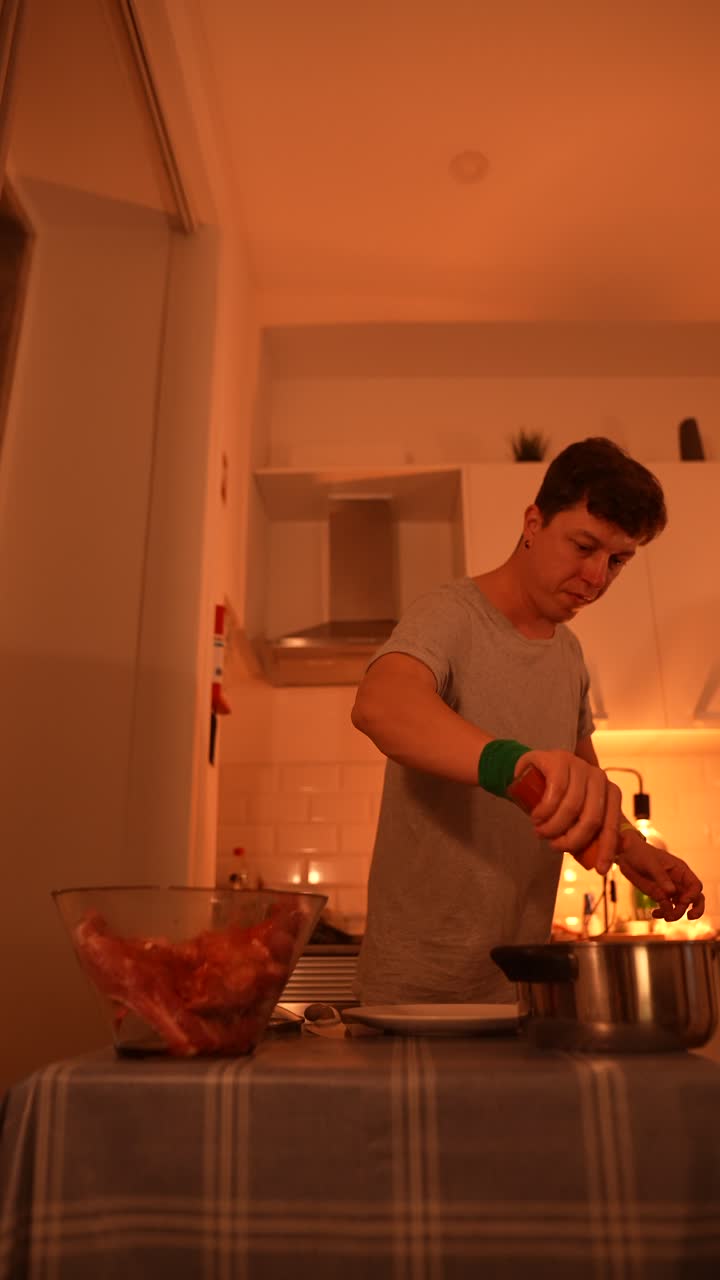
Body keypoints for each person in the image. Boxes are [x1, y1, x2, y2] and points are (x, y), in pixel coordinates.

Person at [351, 437, 705, 1005]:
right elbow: (380, 705)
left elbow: (575, 798)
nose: (596, 578)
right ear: (534, 522)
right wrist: (511, 764)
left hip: (518, 988)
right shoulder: (451, 615)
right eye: (584, 546)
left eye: (617, 561)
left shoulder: (568, 654)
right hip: (418, 989)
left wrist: (636, 852)